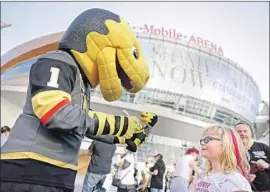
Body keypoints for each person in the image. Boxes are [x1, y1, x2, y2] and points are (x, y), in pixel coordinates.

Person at [0, 8, 150, 192]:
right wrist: (117, 124)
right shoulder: (57, 62)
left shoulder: (82, 84)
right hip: (30, 171)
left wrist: (122, 135)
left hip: (57, 175)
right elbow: (56, 113)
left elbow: (81, 122)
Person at [194, 125, 252, 192]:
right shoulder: (203, 175)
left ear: (226, 144)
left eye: (207, 139)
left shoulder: (235, 181)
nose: (202, 143)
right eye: (202, 140)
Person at [235, 122, 270, 192]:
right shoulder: (230, 151)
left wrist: (267, 165)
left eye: (245, 131)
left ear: (251, 133)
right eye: (239, 132)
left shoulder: (263, 147)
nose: (242, 133)